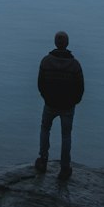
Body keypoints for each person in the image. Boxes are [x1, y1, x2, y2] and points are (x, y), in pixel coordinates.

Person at [35, 30, 84, 180]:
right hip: (68, 106)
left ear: (55, 43)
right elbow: (80, 88)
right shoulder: (75, 65)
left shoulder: (45, 61)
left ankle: (43, 161)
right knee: (66, 136)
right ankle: (64, 168)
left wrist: (47, 98)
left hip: (50, 104)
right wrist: (73, 101)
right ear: (67, 44)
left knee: (45, 129)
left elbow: (40, 85)